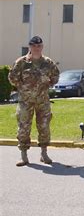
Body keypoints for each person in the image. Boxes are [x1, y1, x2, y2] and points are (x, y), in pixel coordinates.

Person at [8, 36, 60, 166]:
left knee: (44, 126)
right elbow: (12, 77)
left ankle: (44, 153)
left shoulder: (48, 63)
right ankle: (24, 156)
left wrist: (48, 84)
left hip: (43, 101)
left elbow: (55, 76)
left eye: (39, 46)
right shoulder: (21, 62)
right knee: (24, 127)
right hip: (25, 101)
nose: (37, 48)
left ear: (42, 47)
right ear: (30, 47)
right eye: (34, 46)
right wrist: (22, 87)